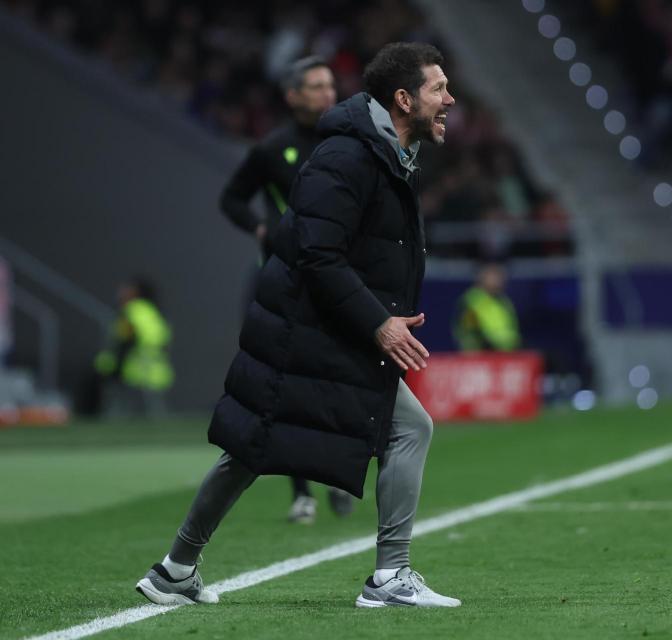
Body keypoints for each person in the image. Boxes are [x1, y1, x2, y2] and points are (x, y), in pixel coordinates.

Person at [136, 42, 460, 608]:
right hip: (306, 333)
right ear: (404, 99)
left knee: (253, 444)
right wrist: (379, 323)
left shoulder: (389, 152)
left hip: (322, 329)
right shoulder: (348, 156)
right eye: (438, 88)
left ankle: (174, 571)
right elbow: (319, 256)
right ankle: (390, 577)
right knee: (398, 430)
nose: (449, 99)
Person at [219, 56, 352, 524]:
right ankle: (301, 493)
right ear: (292, 95)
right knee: (284, 385)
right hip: (284, 279)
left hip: (338, 280)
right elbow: (231, 198)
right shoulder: (273, 148)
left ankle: (337, 476)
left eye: (330, 84)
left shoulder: (348, 141)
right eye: (315, 86)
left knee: (336, 383)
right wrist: (258, 227)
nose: (327, 93)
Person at [94, 277, 173, 416]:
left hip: (133, 366)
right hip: (155, 368)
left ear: (135, 292)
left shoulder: (131, 311)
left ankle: (113, 416)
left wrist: (112, 363)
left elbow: (125, 339)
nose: (121, 291)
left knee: (107, 372)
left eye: (126, 288)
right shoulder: (151, 311)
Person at [454, 262, 521, 351]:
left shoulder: (504, 301)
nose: (498, 280)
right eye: (493, 276)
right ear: (482, 277)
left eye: (499, 276)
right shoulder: (472, 301)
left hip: (509, 352)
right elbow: (470, 332)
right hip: (483, 354)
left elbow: (512, 330)